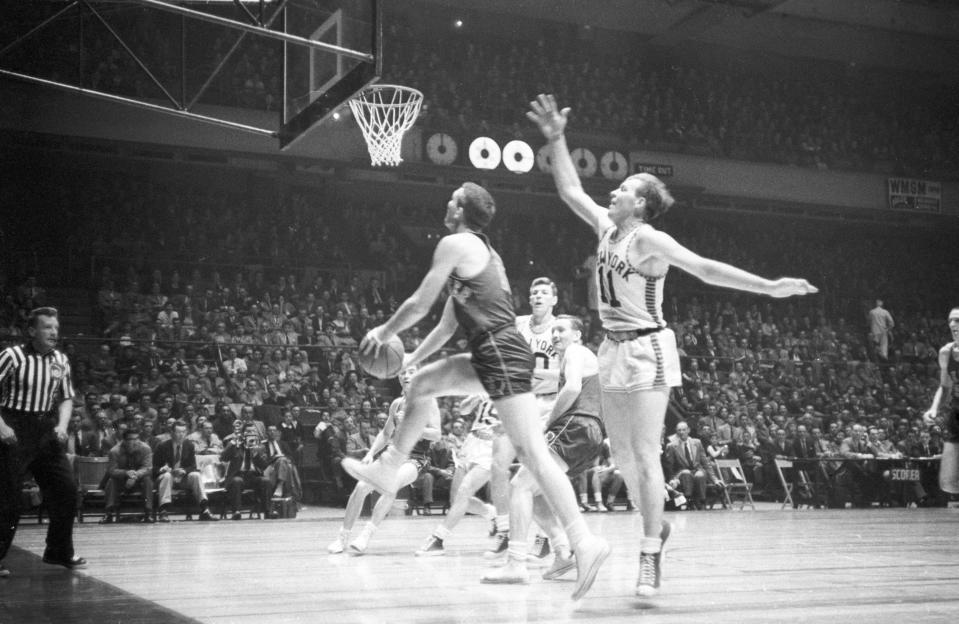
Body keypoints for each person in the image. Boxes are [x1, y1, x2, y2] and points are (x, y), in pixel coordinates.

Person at [527, 93, 817, 597]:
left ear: (639, 203)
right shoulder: (605, 227)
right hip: (612, 348)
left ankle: (647, 555)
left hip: (648, 347)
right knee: (618, 456)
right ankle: (655, 528)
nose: (611, 194)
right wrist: (557, 139)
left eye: (620, 190)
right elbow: (571, 190)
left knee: (643, 452)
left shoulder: (649, 240)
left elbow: (705, 268)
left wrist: (769, 287)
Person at [342, 182, 610, 601]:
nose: (446, 204)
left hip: (502, 353)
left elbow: (417, 302)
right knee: (424, 383)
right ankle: (388, 467)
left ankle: (582, 541)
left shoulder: (458, 243)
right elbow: (445, 327)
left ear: (461, 209)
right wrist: (409, 359)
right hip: (491, 354)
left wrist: (384, 332)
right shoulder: (474, 260)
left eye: (452, 199)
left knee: (535, 458)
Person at [480, 315, 604, 585]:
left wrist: (547, 424)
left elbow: (572, 388)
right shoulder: (574, 358)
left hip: (575, 425)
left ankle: (516, 562)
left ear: (577, 335)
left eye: (561, 330)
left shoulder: (575, 351)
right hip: (589, 434)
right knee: (534, 492)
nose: (555, 335)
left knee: (519, 485)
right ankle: (562, 552)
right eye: (553, 331)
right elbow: (543, 377)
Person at [0, 307, 86, 576]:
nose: (54, 332)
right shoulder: (12, 356)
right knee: (8, 498)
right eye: (47, 327)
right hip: (14, 426)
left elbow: (67, 397)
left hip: (46, 428)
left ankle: (58, 551)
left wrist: (61, 425)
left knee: (66, 490)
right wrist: (1, 425)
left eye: (56, 328)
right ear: (31, 331)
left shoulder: (60, 359)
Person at [328, 364, 440, 556]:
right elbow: (386, 433)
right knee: (361, 488)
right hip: (393, 455)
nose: (407, 375)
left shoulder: (427, 401)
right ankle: (343, 537)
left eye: (412, 372)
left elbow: (436, 434)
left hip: (416, 458)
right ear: (399, 379)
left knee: (391, 483)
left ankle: (365, 535)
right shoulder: (397, 404)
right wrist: (371, 453)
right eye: (403, 372)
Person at [922, 307, 959, 506]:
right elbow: (944, 387)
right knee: (949, 484)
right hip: (957, 411)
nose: (953, 325)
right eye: (950, 321)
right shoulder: (946, 353)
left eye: (958, 320)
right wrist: (934, 408)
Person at [153, 420, 217, 522]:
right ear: (172, 433)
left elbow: (193, 466)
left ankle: (205, 509)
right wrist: (162, 469)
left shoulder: (189, 445)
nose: (181, 435)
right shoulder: (162, 446)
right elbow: (154, 467)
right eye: (178, 432)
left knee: (196, 475)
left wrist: (184, 470)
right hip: (167, 477)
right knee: (167, 476)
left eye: (183, 432)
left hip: (183, 477)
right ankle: (163, 511)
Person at [103, 426, 155, 523]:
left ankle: (148, 513)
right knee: (111, 481)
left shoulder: (146, 448)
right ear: (124, 440)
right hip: (121, 481)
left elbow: (148, 468)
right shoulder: (114, 451)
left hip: (139, 481)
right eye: (131, 439)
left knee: (147, 480)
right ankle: (108, 513)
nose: (135, 442)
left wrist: (135, 476)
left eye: (137, 438)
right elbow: (111, 470)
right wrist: (126, 473)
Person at [663, 421, 711, 511]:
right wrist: (672, 479)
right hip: (682, 473)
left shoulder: (697, 442)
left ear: (688, 430)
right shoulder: (672, 446)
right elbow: (669, 467)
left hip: (697, 470)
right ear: (676, 432)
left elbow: (705, 462)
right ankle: (688, 500)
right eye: (679, 430)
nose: (681, 432)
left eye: (684, 430)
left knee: (700, 475)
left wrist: (715, 479)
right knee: (686, 473)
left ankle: (702, 501)